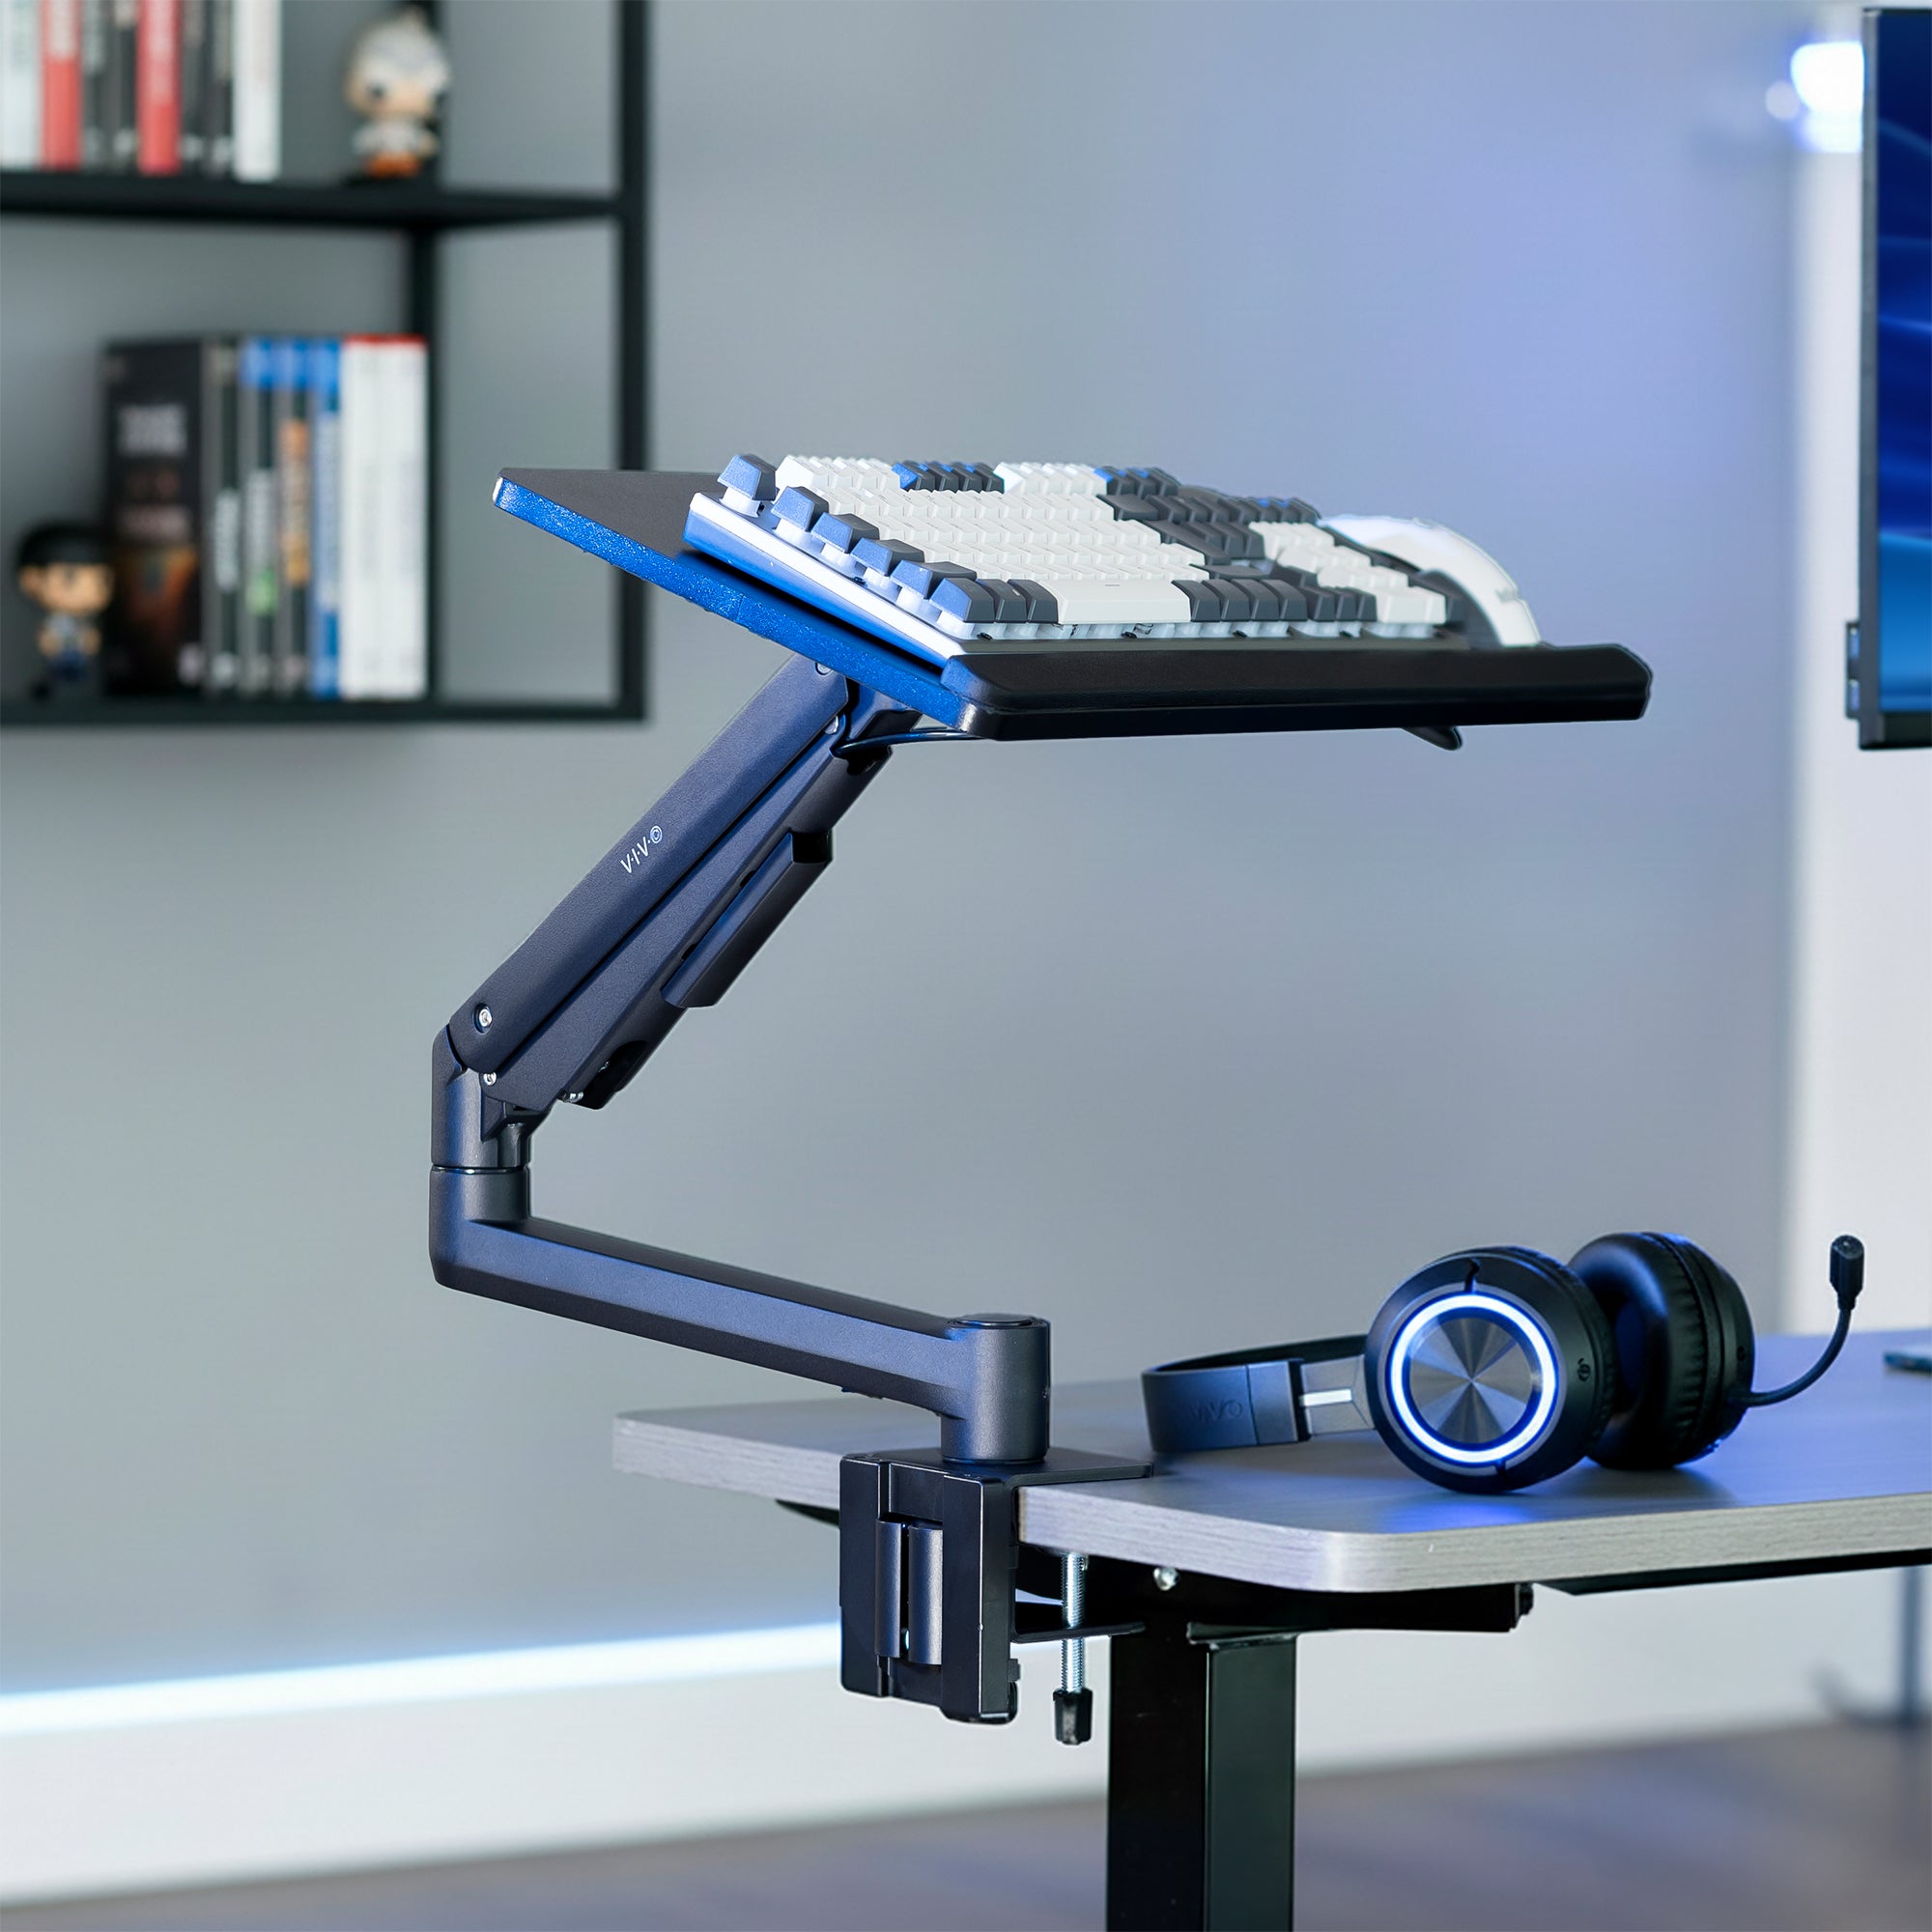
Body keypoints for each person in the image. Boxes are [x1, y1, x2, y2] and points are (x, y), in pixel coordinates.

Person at [14, 523, 112, 699]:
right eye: (70, 578)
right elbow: (47, 639)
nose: (88, 590)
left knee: (84, 678)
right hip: (59, 661)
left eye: (102, 580)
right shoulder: (54, 623)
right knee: (57, 677)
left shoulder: (87, 623)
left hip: (82, 664)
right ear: (31, 581)